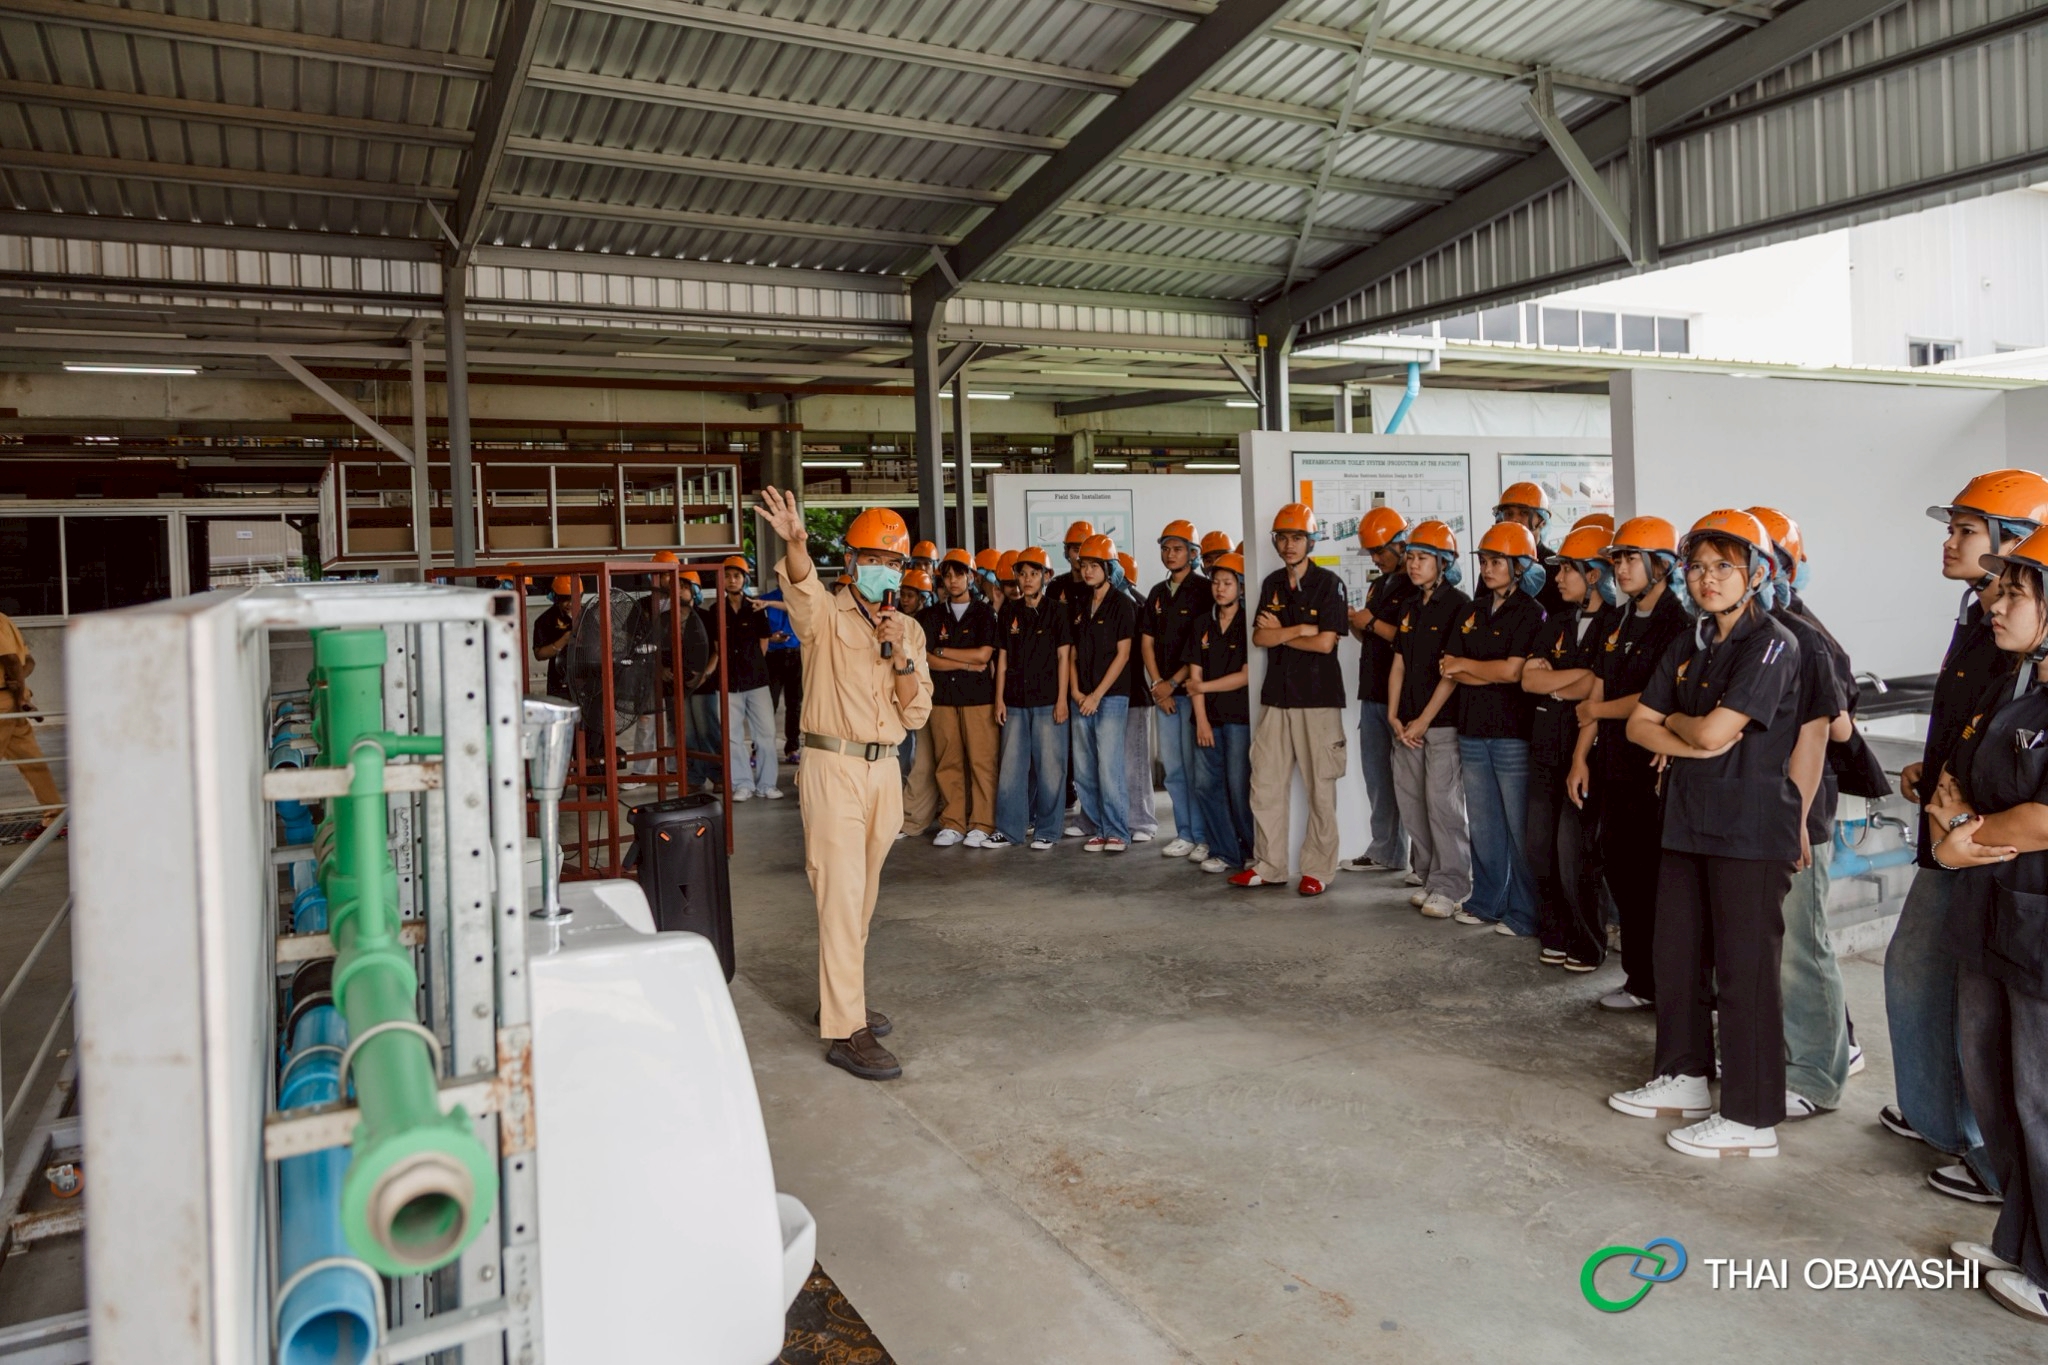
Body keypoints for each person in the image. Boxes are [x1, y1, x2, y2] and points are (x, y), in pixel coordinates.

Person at [1610, 510, 1804, 1159]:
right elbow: (1639, 723)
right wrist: (1691, 733)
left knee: (1745, 975)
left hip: (1749, 830)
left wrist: (1682, 728)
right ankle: (1684, 1077)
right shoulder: (1691, 641)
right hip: (1688, 820)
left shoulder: (1773, 643)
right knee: (1677, 956)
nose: (1707, 578)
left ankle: (1751, 1117)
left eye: (1724, 566)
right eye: (1697, 566)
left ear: (1758, 574)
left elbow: (1719, 730)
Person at [1887, 468, 2048, 1203]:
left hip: (1991, 848)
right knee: (1953, 991)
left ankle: (1975, 1141)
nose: (1951, 543)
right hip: (1963, 833)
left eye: (1966, 529)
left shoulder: (2019, 639)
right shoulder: (1981, 617)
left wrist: (1959, 823)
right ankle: (1946, 1115)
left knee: (2010, 1035)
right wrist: (1940, 776)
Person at [757, 488, 931, 1080]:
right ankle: (844, 1029)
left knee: (863, 897)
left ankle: (842, 997)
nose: (885, 570)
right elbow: (801, 588)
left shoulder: (908, 628)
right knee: (840, 893)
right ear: (852, 563)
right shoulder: (825, 616)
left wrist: (900, 654)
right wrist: (796, 543)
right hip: (833, 767)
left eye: (894, 562)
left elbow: (916, 712)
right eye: (873, 559)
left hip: (885, 770)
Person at [1922, 526, 2048, 1323]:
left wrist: (1966, 830)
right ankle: (2020, 1241)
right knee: (1994, 1079)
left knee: (2040, 1096)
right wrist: (1960, 820)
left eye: (2016, 594)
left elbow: (2041, 818)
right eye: (1999, 591)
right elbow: (1960, 784)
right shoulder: (2018, 689)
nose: (1996, 605)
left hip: (2035, 923)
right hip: (1990, 910)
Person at [1747, 506, 1855, 1122]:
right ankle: (1778, 1055)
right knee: (1764, 948)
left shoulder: (1804, 637)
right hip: (1749, 812)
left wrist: (1796, 821)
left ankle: (1816, 1073)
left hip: (1797, 815)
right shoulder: (1734, 634)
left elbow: (1825, 733)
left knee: (1800, 950)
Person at [1580, 516, 1693, 1011]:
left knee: (1653, 882)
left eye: (1631, 559)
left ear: (1661, 566)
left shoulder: (1678, 624)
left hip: (1651, 772)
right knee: (1623, 874)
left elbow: (1657, 699)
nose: (1621, 568)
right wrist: (1582, 753)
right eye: (1618, 559)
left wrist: (1596, 711)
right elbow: (1603, 683)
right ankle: (1640, 980)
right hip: (1613, 765)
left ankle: (1664, 987)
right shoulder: (1621, 618)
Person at [1230, 503, 1347, 897]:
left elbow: (1326, 643)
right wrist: (1299, 629)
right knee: (1264, 783)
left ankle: (1318, 869)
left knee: (1320, 789)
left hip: (1318, 700)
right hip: (1276, 700)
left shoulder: (1329, 584)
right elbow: (1260, 637)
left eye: (1297, 537)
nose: (1289, 544)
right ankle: (1269, 865)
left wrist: (1283, 632)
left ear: (1310, 541)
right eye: (1282, 537)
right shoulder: (1272, 583)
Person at [1441, 522, 1547, 936]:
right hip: (1472, 729)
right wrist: (1481, 669)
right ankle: (1486, 901)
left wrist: (1469, 667)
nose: (1487, 569)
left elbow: (1513, 672)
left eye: (1496, 562)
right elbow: (1449, 666)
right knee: (1484, 826)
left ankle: (1524, 912)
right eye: (1484, 561)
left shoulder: (1531, 612)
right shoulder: (1472, 610)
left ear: (1519, 566)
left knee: (1520, 829)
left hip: (1512, 734)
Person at [1520, 524, 1614, 971]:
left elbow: (1596, 684)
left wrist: (1554, 683)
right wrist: (1568, 685)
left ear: (1594, 574)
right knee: (1539, 847)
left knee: (1575, 853)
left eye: (1568, 570)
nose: (1557, 578)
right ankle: (1554, 932)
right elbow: (1528, 679)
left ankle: (1587, 941)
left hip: (1586, 754)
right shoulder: (1557, 621)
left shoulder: (1614, 624)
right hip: (1545, 747)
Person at [1385, 520, 1473, 918]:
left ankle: (1451, 885)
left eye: (1423, 558)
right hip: (1405, 724)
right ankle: (1427, 876)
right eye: (1411, 557)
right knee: (1413, 804)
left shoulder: (1459, 605)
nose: (1414, 564)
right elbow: (1399, 664)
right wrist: (1393, 714)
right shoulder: (1408, 606)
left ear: (1443, 562)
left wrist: (1423, 720)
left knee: (1443, 807)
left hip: (1440, 724)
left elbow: (1451, 673)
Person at [1342, 507, 1417, 876]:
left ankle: (1425, 863)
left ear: (1401, 544)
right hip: (1372, 692)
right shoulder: (1379, 584)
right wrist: (1357, 623)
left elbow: (1412, 640)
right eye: (1371, 552)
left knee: (1412, 783)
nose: (1375, 558)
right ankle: (1386, 851)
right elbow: (1370, 636)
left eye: (1380, 551)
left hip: (1403, 698)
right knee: (1378, 778)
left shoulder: (1417, 585)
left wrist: (1371, 621)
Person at [920, 549, 1001, 847]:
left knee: (982, 762)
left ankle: (982, 823)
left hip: (978, 699)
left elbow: (984, 654)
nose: (953, 581)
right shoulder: (931, 615)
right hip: (942, 698)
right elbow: (928, 659)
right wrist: (965, 664)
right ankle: (953, 822)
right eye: (948, 576)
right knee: (947, 761)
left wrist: (945, 652)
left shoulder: (984, 613)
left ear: (971, 577)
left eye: (959, 574)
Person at [993, 546, 1071, 851]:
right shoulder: (1008, 612)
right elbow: (1001, 659)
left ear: (1046, 577)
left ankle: (1047, 831)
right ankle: (1009, 830)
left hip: (1048, 701)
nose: (1027, 579)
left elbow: (1064, 658)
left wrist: (1062, 700)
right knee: (1011, 768)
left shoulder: (1058, 612)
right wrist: (999, 699)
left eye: (1034, 574)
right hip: (1014, 701)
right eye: (1022, 574)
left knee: (1051, 768)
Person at [1144, 519, 1211, 863]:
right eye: (1166, 548)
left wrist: (1172, 684)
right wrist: (1158, 684)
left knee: (1197, 770)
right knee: (1173, 770)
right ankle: (1185, 833)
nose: (1170, 554)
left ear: (1193, 553)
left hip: (1191, 694)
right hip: (1164, 696)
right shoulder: (1157, 592)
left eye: (1178, 549)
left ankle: (1204, 836)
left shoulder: (1204, 590)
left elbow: (1199, 647)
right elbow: (1147, 641)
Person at [1068, 533, 1135, 853]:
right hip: (1081, 697)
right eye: (1084, 565)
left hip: (1111, 697)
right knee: (1084, 769)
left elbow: (1123, 655)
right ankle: (1097, 827)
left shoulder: (1122, 604)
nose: (1087, 571)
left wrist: (1096, 695)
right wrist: (1076, 691)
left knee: (1109, 768)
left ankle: (1117, 831)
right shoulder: (1079, 604)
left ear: (1109, 569)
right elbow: (1071, 653)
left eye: (1094, 565)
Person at [1187, 552, 1253, 874]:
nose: (1220, 588)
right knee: (1206, 786)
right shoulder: (1202, 623)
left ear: (1240, 587)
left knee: (1239, 787)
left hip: (1239, 719)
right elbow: (1193, 677)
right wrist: (1201, 720)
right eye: (1216, 582)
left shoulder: (1249, 622)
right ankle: (1225, 852)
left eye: (1227, 583)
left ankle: (1250, 849)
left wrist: (1203, 687)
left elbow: (1246, 676)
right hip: (1206, 719)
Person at [717, 555, 781, 800]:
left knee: (765, 734)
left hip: (757, 680)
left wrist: (753, 664)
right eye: (727, 576)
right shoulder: (716, 610)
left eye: (737, 576)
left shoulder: (756, 608)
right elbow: (716, 646)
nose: (732, 580)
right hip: (728, 682)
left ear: (744, 579)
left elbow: (764, 641)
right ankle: (742, 784)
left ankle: (767, 784)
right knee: (732, 736)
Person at [0, 607, 61, 829]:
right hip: (12, 701)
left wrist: (18, 692)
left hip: (4, 701)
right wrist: (19, 687)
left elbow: (11, 660)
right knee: (31, 761)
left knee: (31, 761)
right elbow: (29, 662)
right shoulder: (4, 620)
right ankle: (55, 818)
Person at [1114, 551, 1158, 844]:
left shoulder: (1139, 604)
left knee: (1135, 763)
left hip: (1135, 695)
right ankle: (1120, 819)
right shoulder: (1102, 605)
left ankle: (1142, 821)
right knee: (1114, 764)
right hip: (1110, 697)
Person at [1494, 481, 1568, 618]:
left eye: (1524, 513)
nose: (1514, 519)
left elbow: (1563, 619)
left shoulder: (1556, 566)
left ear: (1543, 521)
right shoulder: (1493, 563)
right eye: (1509, 513)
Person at [760, 579, 804, 764]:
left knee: (795, 705)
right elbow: (758, 631)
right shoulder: (764, 600)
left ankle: (792, 748)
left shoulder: (801, 598)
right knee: (768, 704)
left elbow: (797, 611)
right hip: (773, 656)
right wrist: (771, 638)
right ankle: (760, 749)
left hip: (796, 655)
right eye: (781, 577)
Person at [532, 575, 579, 699]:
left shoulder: (586, 615)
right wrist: (564, 640)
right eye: (565, 600)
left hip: (585, 680)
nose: (569, 604)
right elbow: (539, 654)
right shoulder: (545, 620)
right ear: (556, 598)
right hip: (559, 681)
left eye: (573, 599)